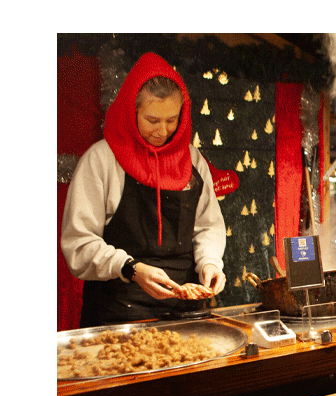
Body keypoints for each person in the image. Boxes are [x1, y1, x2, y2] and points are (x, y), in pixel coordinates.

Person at [61, 52, 226, 327]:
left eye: (172, 120)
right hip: (118, 314)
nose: (163, 131)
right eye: (152, 120)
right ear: (132, 110)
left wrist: (210, 263)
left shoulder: (193, 160)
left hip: (185, 311)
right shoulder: (101, 160)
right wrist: (130, 268)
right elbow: (78, 244)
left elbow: (208, 226)